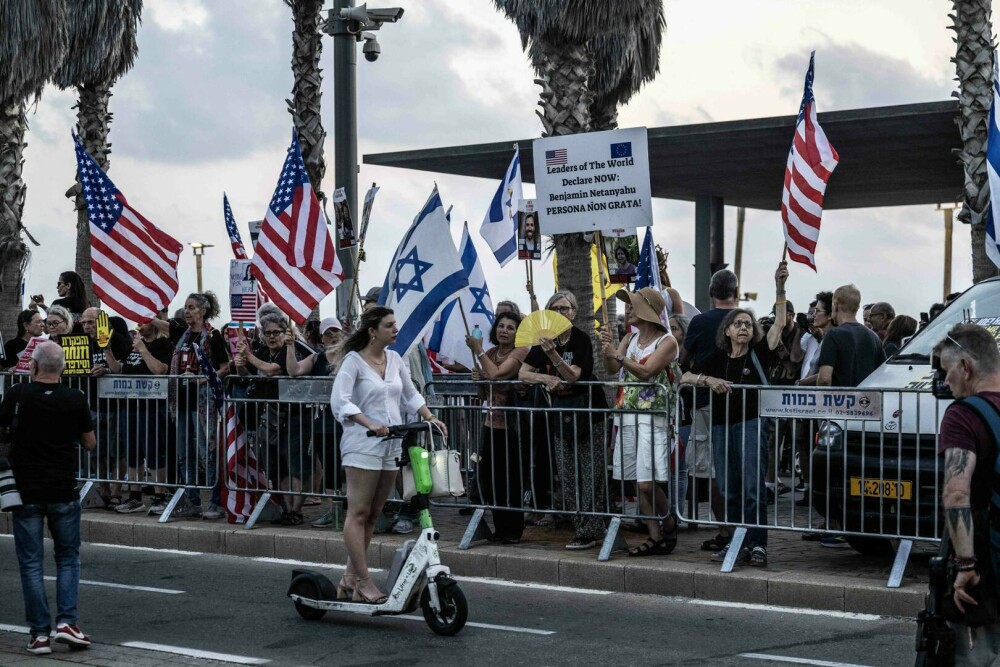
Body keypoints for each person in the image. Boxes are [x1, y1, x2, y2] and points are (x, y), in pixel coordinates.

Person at [330, 307, 447, 603]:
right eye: (389, 325)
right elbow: (339, 401)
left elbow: (410, 394)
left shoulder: (395, 360)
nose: (395, 330)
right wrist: (368, 422)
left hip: (391, 444)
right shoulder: (353, 362)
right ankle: (364, 581)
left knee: (373, 514)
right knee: (358, 512)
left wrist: (429, 416)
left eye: (395, 325)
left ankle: (349, 577)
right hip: (363, 444)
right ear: (373, 330)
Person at [681, 262, 789, 568]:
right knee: (728, 488)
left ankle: (758, 544)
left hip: (751, 424)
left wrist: (779, 287)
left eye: (748, 324)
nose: (744, 327)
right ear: (727, 330)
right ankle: (736, 541)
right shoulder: (716, 356)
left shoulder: (759, 353)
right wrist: (707, 380)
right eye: (738, 324)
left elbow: (779, 323)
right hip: (720, 426)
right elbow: (684, 376)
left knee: (752, 487)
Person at [2, 341, 96, 655]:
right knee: (68, 558)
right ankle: (67, 622)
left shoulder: (17, 395)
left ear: (34, 367)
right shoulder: (75, 398)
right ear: (63, 369)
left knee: (30, 564)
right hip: (63, 490)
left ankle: (39, 634)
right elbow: (90, 443)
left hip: (25, 491)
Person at [519, 290, 608, 550]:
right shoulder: (542, 340)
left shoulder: (581, 340)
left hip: (590, 411)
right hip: (561, 412)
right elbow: (523, 373)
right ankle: (582, 526)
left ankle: (591, 529)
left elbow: (573, 376)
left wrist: (554, 357)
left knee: (590, 472)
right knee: (567, 471)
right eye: (555, 309)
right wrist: (545, 379)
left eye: (565, 309)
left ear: (574, 312)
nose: (560, 313)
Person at [934, 323, 1000, 665]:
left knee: (980, 656)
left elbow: (957, 494)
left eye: (948, 372)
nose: (946, 382)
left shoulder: (964, 415)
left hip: (988, 562)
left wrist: (965, 564)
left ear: (967, 367)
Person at [601, 287, 679, 556]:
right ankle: (654, 536)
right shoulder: (629, 338)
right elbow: (612, 369)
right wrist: (608, 350)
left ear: (647, 310)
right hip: (627, 416)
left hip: (653, 418)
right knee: (636, 479)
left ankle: (668, 523)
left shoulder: (667, 341)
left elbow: (647, 372)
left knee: (648, 482)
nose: (628, 310)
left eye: (632, 305)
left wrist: (618, 354)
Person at [154, 292, 230, 519]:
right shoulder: (181, 334)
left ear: (203, 311)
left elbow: (225, 367)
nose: (187, 311)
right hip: (183, 402)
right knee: (184, 453)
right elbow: (151, 320)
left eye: (192, 307)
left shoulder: (214, 336)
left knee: (209, 452)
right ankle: (192, 500)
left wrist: (204, 378)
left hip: (205, 403)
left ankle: (215, 502)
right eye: (185, 307)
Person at [681, 269, 740, 552]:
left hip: (706, 402)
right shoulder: (746, 320)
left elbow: (685, 359)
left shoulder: (700, 321)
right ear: (736, 292)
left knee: (714, 470)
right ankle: (741, 530)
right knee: (738, 468)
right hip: (742, 406)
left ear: (710, 293)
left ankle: (726, 531)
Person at [235, 312, 309, 525]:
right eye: (267, 333)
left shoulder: (289, 351)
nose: (271, 337)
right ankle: (287, 510)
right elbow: (245, 374)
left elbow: (271, 370)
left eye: (276, 332)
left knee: (296, 466)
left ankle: (297, 510)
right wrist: (240, 362)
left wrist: (248, 356)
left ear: (286, 333)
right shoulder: (261, 351)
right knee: (277, 468)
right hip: (267, 417)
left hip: (292, 417)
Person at [465, 311, 529, 543]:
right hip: (490, 424)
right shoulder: (491, 352)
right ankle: (499, 527)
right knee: (490, 479)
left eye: (510, 327)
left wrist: (478, 350)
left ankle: (512, 530)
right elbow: (485, 391)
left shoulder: (520, 351)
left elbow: (498, 374)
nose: (504, 330)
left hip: (512, 427)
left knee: (509, 480)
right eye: (501, 326)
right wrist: (478, 379)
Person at [105, 321, 174, 514]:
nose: (140, 327)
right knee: (133, 451)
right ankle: (135, 496)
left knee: (154, 450)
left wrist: (143, 349)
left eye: (145, 322)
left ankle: (160, 495)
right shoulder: (133, 345)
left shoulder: (163, 345)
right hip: (130, 405)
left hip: (152, 406)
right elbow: (119, 369)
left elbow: (160, 369)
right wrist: (108, 351)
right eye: (138, 323)